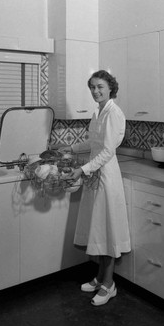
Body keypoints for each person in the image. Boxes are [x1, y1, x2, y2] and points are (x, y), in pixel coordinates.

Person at [60, 70, 131, 306]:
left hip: (107, 176)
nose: (95, 91)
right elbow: (93, 143)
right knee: (97, 227)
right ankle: (100, 277)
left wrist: (82, 169)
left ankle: (109, 285)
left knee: (106, 229)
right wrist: (71, 149)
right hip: (95, 174)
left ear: (110, 88)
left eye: (100, 87)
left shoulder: (114, 113)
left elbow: (108, 150)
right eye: (92, 87)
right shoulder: (98, 112)